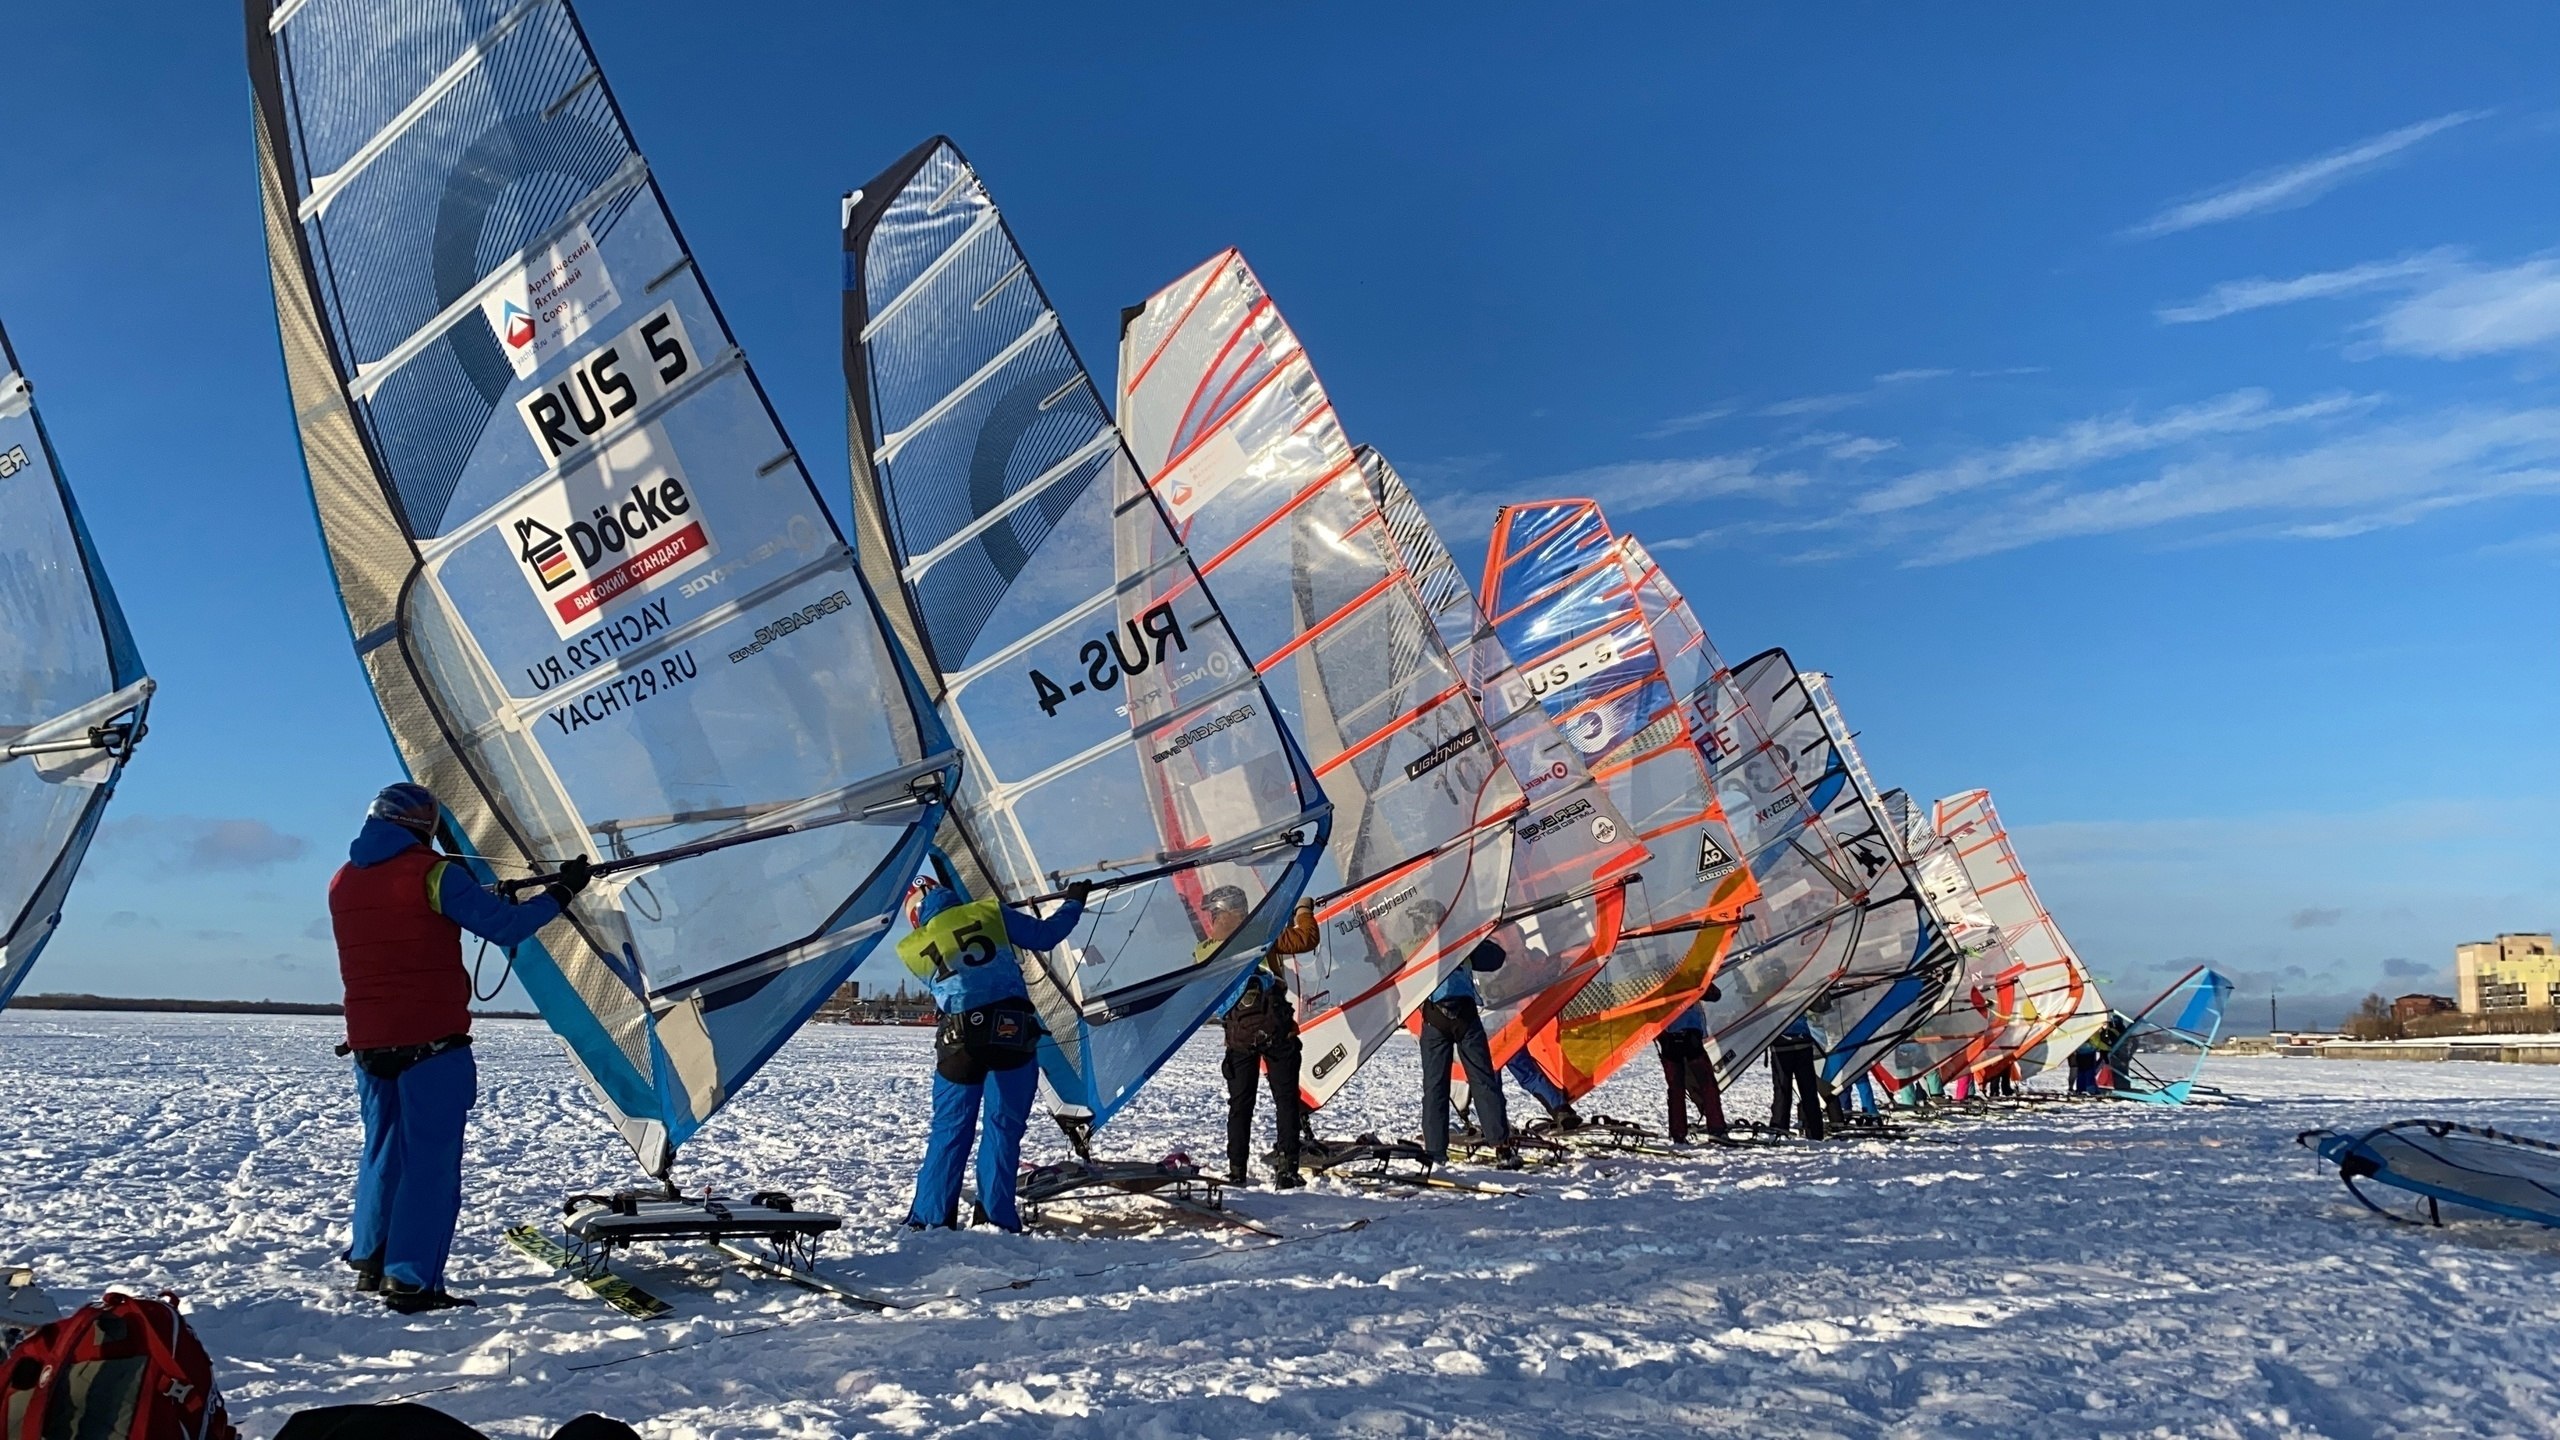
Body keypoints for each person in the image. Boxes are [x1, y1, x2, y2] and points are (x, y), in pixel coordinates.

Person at [330, 782, 589, 1314]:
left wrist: (473, 896)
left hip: (369, 1043)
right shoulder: (434, 873)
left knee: (382, 1152)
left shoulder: (343, 878)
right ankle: (411, 1281)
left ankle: (371, 1260)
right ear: (424, 825)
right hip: (431, 1043)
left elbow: (406, 917)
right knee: (429, 1164)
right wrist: (564, 891)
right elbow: (506, 927)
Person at [898, 872, 1090, 1232]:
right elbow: (1046, 936)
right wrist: (1074, 901)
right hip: (1011, 1033)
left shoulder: (910, 947)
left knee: (949, 1130)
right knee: (1003, 1127)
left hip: (959, 1041)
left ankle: (929, 1220)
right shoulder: (989, 912)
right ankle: (995, 1218)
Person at [1213, 886, 1320, 1188]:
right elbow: (1307, 939)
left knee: (1240, 1106)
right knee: (1286, 1101)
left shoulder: (1208, 946)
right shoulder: (1263, 933)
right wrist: (1303, 910)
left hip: (1238, 1036)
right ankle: (1287, 1170)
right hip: (1277, 1032)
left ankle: (1236, 1171)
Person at [1418, 937, 1521, 1169]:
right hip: (1465, 1015)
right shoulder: (1462, 939)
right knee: (1483, 1080)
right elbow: (1496, 958)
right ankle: (1501, 1146)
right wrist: (1478, 936)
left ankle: (1435, 1151)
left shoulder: (1421, 943)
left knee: (1435, 1087)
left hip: (1435, 1017)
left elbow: (1396, 966)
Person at [1651, 986, 1727, 1142]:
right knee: (1704, 1085)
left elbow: (1715, 995)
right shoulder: (1686, 980)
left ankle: (1679, 1133)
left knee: (1680, 1088)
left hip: (1675, 1040)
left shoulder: (1661, 982)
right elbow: (1715, 995)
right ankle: (1715, 1129)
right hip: (1684, 1039)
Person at [1766, 1015, 1828, 1140]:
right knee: (1809, 1091)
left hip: (1781, 1044)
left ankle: (1780, 1130)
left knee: (1782, 1092)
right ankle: (1815, 1131)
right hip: (1803, 1041)